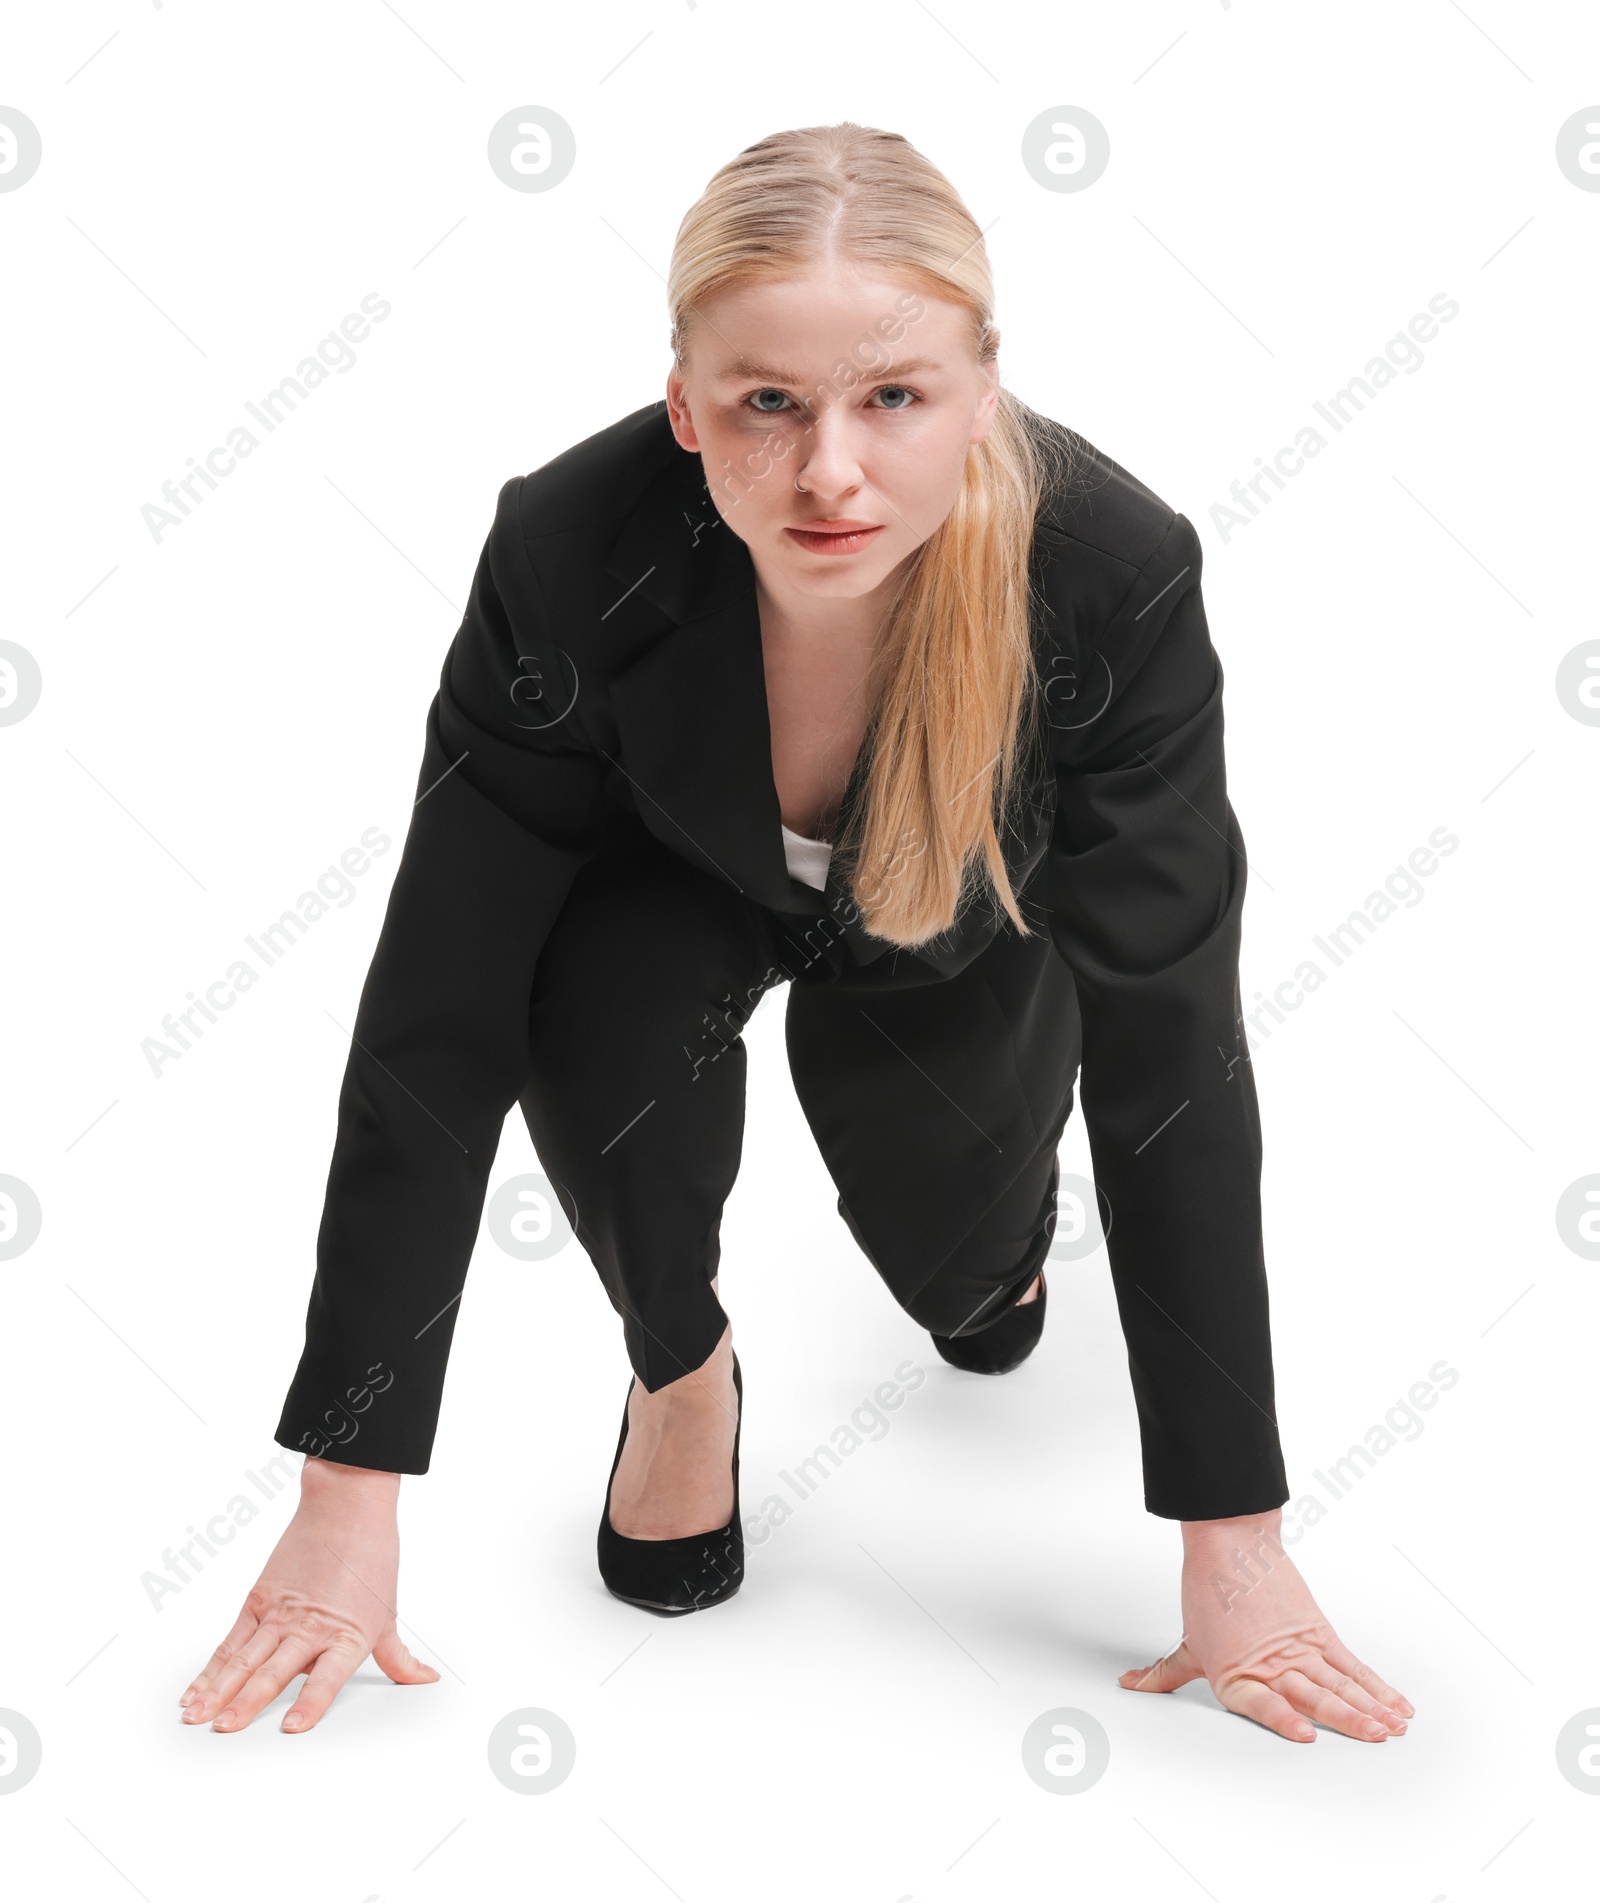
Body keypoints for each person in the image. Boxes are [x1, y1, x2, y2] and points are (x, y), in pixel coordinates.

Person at [178, 122, 1412, 1748]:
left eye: (893, 397)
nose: (831, 470)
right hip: (668, 893)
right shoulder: (565, 551)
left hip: (956, 912)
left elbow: (1173, 1049)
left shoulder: (1112, 580)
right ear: (686, 405)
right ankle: (683, 1375)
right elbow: (438, 1010)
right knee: (589, 1023)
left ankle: (994, 1249)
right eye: (769, 402)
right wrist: (350, 1492)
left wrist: (1233, 1538)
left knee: (966, 1284)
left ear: (981, 398)